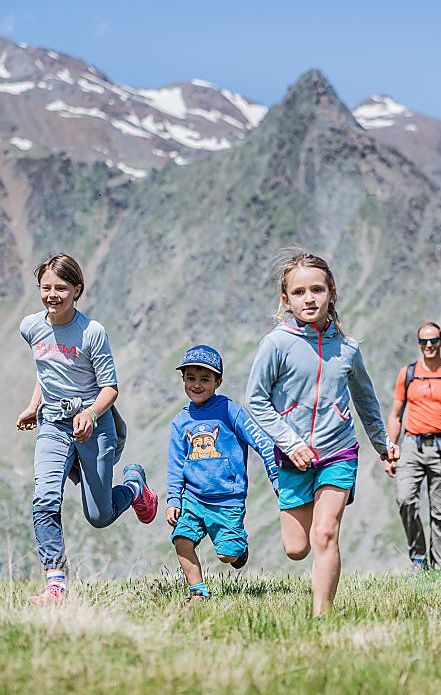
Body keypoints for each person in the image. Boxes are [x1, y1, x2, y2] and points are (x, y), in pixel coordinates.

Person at [246, 251, 399, 616]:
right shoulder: (276, 344)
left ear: (332, 292)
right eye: (299, 292)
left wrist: (383, 444)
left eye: (317, 289)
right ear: (286, 300)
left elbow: (365, 399)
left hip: (339, 452)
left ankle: (322, 617)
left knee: (325, 533)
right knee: (297, 547)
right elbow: (255, 399)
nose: (309, 298)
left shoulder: (348, 349)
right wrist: (290, 443)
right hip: (293, 456)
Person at [16, 253, 158, 603]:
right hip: (53, 425)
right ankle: (55, 584)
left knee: (99, 515)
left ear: (77, 290)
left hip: (94, 424)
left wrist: (91, 414)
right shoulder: (30, 327)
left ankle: (135, 487)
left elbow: (110, 387)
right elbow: (47, 369)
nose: (52, 295)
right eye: (45, 287)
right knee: (45, 498)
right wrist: (35, 406)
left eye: (61, 288)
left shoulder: (92, 332)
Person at [166, 344, 279, 604]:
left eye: (205, 379)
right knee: (181, 540)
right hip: (193, 498)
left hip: (227, 500)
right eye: (191, 378)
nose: (197, 385)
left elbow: (261, 441)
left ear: (218, 381)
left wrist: (275, 476)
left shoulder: (231, 411)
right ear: (183, 379)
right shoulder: (180, 421)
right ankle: (198, 593)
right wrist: (174, 499)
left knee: (227, 555)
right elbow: (175, 464)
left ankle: (238, 553)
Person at [385, 322, 441, 571]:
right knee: (405, 499)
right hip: (412, 444)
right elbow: (395, 416)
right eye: (424, 341)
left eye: (433, 340)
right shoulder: (408, 374)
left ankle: (439, 567)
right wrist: (389, 450)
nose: (429, 346)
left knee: (440, 510)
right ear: (418, 344)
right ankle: (418, 559)